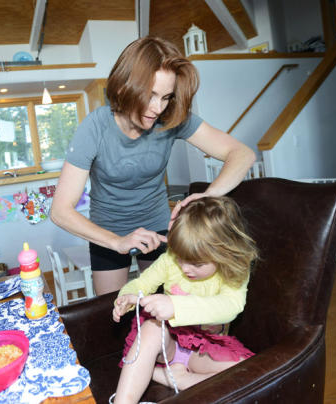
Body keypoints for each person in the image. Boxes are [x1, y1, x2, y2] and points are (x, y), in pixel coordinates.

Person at [50, 36, 256, 295]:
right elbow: (60, 211)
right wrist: (117, 242)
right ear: (125, 87)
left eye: (166, 97)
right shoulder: (94, 127)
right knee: (113, 308)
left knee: (164, 305)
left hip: (158, 226)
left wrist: (208, 195)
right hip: (107, 230)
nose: (158, 108)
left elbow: (242, 153)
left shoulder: (171, 118)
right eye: (150, 95)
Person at [111, 196, 258, 403]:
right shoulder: (170, 260)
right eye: (180, 258)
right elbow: (141, 284)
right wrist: (126, 297)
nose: (185, 268)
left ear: (223, 253)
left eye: (196, 264)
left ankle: (176, 378)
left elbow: (231, 306)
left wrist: (175, 306)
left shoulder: (234, 269)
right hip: (169, 343)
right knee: (152, 328)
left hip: (204, 349)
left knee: (250, 373)